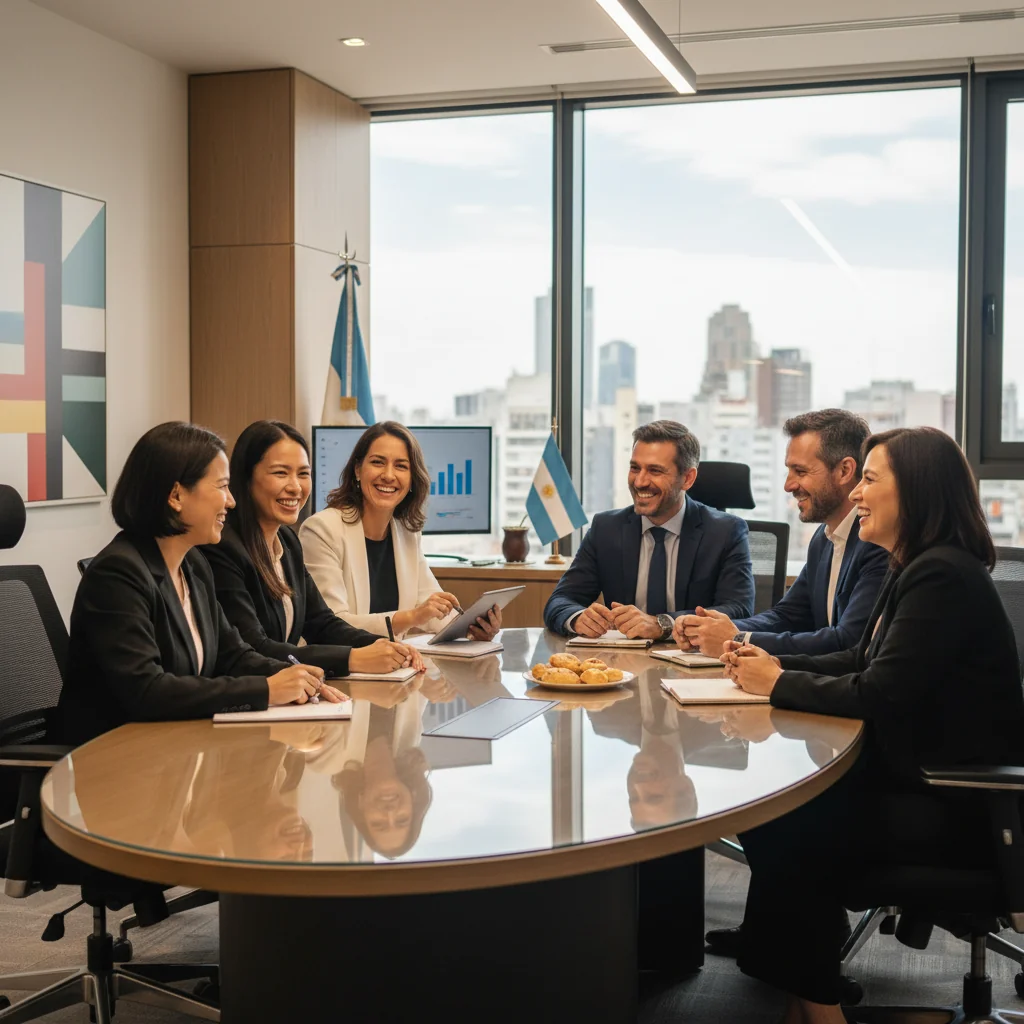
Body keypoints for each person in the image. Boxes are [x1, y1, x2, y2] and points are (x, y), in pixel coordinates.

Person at [719, 427, 1024, 1024]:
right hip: (923, 785)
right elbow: (860, 659)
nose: (857, 493)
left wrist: (776, 683)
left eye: (871, 480)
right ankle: (803, 1000)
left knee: (788, 825)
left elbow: (878, 692)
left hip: (961, 808)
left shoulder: (942, 576)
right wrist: (773, 665)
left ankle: (818, 1010)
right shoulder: (917, 567)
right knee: (778, 815)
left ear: (916, 493)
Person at [679, 410, 887, 955]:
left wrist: (745, 642)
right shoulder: (826, 538)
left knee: (774, 802)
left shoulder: (876, 543)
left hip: (861, 724)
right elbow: (791, 614)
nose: (789, 484)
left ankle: (794, 951)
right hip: (828, 706)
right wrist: (728, 631)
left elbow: (848, 640)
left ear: (845, 472)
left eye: (800, 470)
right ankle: (777, 938)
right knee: (761, 795)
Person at [57, 422, 344, 747]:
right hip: (114, 754)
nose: (231, 501)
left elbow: (233, 655)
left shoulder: (193, 563)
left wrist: (297, 677)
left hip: (175, 745)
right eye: (222, 487)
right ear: (176, 495)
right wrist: (266, 689)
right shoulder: (118, 573)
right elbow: (146, 690)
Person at [201, 420, 423, 678]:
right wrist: (352, 658)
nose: (295, 487)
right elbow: (253, 648)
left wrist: (383, 645)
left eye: (303, 474)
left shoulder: (287, 541)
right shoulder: (223, 548)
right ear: (246, 477)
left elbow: (321, 623)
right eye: (281, 473)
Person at [543, 420, 754, 640]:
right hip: (623, 659)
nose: (640, 482)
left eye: (655, 470)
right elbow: (560, 601)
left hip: (693, 656)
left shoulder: (726, 532)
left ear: (688, 479)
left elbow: (738, 609)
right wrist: (578, 618)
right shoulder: (606, 528)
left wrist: (662, 624)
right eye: (635, 468)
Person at [300, 421, 501, 641]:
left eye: (401, 466)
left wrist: (473, 629)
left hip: (390, 661)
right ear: (358, 470)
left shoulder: (407, 533)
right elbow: (331, 625)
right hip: (337, 661)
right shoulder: (322, 530)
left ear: (412, 479)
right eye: (377, 462)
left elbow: (435, 611)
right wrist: (412, 617)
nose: (388, 475)